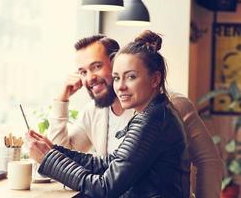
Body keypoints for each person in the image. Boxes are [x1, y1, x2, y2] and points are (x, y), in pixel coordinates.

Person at [47, 34, 223, 197]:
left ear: (114, 62)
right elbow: (78, 158)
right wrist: (61, 101)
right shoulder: (94, 111)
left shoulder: (169, 106)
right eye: (83, 72)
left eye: (97, 66)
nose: (90, 78)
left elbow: (208, 161)